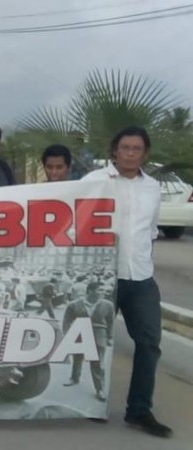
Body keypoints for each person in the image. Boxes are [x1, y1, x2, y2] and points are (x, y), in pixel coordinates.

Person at [81, 126, 172, 438]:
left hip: (141, 279)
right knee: (94, 342)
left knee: (148, 343)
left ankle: (139, 410)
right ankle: (91, 402)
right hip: (104, 278)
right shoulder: (93, 182)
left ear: (145, 154)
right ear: (114, 150)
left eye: (137, 149)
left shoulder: (152, 188)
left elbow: (151, 230)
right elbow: (61, 211)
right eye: (125, 148)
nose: (130, 154)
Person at [63, 282, 115, 402]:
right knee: (77, 357)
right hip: (80, 332)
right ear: (90, 291)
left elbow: (111, 322)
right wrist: (67, 335)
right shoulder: (74, 305)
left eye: (103, 290)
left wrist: (110, 337)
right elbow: (67, 321)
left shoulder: (108, 305)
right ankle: (74, 378)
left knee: (98, 362)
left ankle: (100, 389)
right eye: (100, 290)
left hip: (99, 334)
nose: (103, 292)